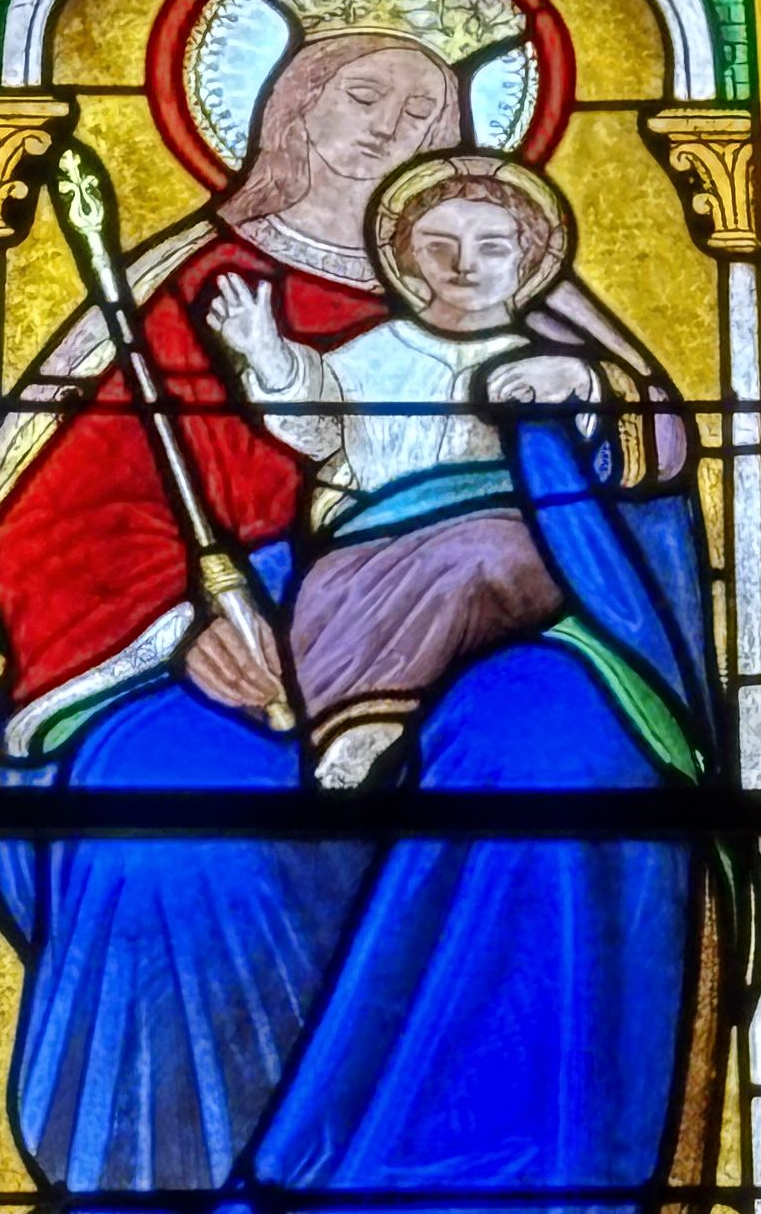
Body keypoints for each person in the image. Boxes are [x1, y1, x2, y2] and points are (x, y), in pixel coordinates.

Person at [0, 0, 761, 1214]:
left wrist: (584, 427)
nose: (395, 134)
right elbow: (59, 530)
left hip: (501, 626)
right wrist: (177, 628)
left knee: (562, 749)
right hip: (213, 651)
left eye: (427, 113)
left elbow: (633, 485)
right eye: (365, 98)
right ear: (281, 114)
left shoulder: (515, 290)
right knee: (170, 800)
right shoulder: (177, 295)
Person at [208, 152, 582, 786]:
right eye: (440, 246)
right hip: (368, 544)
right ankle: (346, 727)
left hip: (505, 541)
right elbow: (316, 428)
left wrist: (578, 384)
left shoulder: (548, 360)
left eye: (492, 247)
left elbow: (611, 464)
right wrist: (265, 354)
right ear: (407, 258)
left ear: (529, 257)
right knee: (328, 588)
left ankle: (372, 722)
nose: (465, 265)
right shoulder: (376, 351)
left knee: (481, 553)